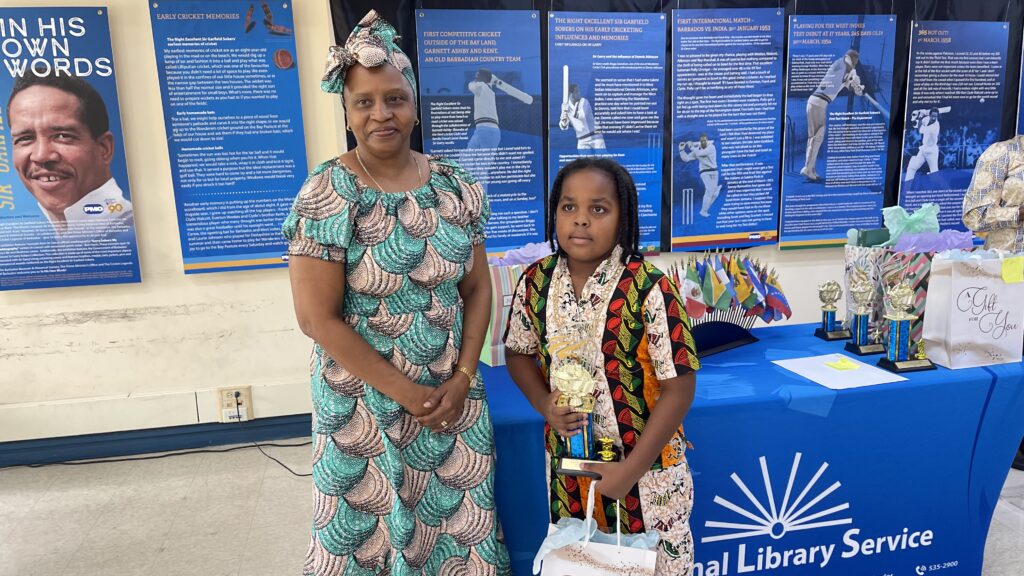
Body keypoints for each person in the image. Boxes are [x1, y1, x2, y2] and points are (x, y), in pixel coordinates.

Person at [283, 11, 511, 574]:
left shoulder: (455, 186)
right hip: (363, 404)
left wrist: (461, 378)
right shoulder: (328, 193)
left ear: (414, 105)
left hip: (453, 396)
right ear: (347, 111)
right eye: (364, 101)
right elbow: (317, 319)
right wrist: (408, 394)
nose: (381, 113)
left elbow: (478, 286)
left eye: (395, 98)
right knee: (373, 538)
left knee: (458, 530)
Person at [503, 157, 700, 574]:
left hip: (646, 470)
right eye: (568, 207)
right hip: (571, 467)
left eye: (599, 209)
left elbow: (679, 388)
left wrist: (631, 469)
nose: (581, 221)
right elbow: (518, 353)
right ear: (553, 213)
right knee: (582, 562)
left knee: (654, 563)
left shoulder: (649, 287)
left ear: (623, 216)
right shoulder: (535, 282)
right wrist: (544, 404)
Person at [7, 72, 133, 238]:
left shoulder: (133, 236)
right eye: (25, 138)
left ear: (104, 149)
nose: (41, 155)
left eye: (63, 135)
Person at [963, 135, 1024, 470]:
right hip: (1010, 275)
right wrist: (1019, 212)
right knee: (1010, 359)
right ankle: (1008, 441)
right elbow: (973, 216)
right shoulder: (1003, 153)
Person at [801, 49, 864, 181]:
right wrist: (853, 74)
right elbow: (847, 68)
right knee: (817, 137)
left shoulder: (845, 70)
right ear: (851, 57)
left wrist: (858, 87)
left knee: (814, 138)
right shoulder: (841, 63)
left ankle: (810, 169)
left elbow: (851, 87)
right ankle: (807, 168)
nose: (857, 62)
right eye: (856, 59)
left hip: (816, 103)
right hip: (818, 103)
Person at [460, 68, 501, 186]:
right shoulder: (490, 91)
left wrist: (474, 81)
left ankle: (480, 199)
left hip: (485, 130)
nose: (476, 77)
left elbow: (470, 86)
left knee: (478, 169)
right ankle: (477, 195)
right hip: (490, 131)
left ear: (484, 78)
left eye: (478, 75)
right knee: (479, 167)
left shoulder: (481, 86)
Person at [679, 134, 722, 217]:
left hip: (714, 171)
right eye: (701, 140)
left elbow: (701, 154)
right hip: (704, 172)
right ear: (700, 141)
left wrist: (692, 147)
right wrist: (681, 150)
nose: (703, 142)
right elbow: (686, 159)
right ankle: (703, 211)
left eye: (704, 140)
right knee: (709, 190)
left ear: (707, 140)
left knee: (714, 194)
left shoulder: (711, 147)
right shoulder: (697, 149)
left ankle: (704, 210)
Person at [559, 84, 606, 150]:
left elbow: (581, 116)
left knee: (603, 158)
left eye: (579, 91)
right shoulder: (565, 105)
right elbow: (564, 127)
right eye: (576, 92)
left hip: (595, 135)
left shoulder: (584, 101)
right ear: (570, 94)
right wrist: (564, 121)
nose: (579, 94)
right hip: (582, 138)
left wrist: (568, 114)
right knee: (583, 159)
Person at [904, 108, 941, 181]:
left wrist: (920, 116)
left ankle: (944, 189)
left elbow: (920, 130)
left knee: (935, 173)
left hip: (932, 152)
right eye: (932, 116)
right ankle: (906, 186)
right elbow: (917, 124)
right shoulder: (927, 119)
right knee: (912, 167)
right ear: (929, 115)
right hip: (924, 149)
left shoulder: (935, 127)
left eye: (935, 117)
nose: (933, 118)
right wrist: (918, 116)